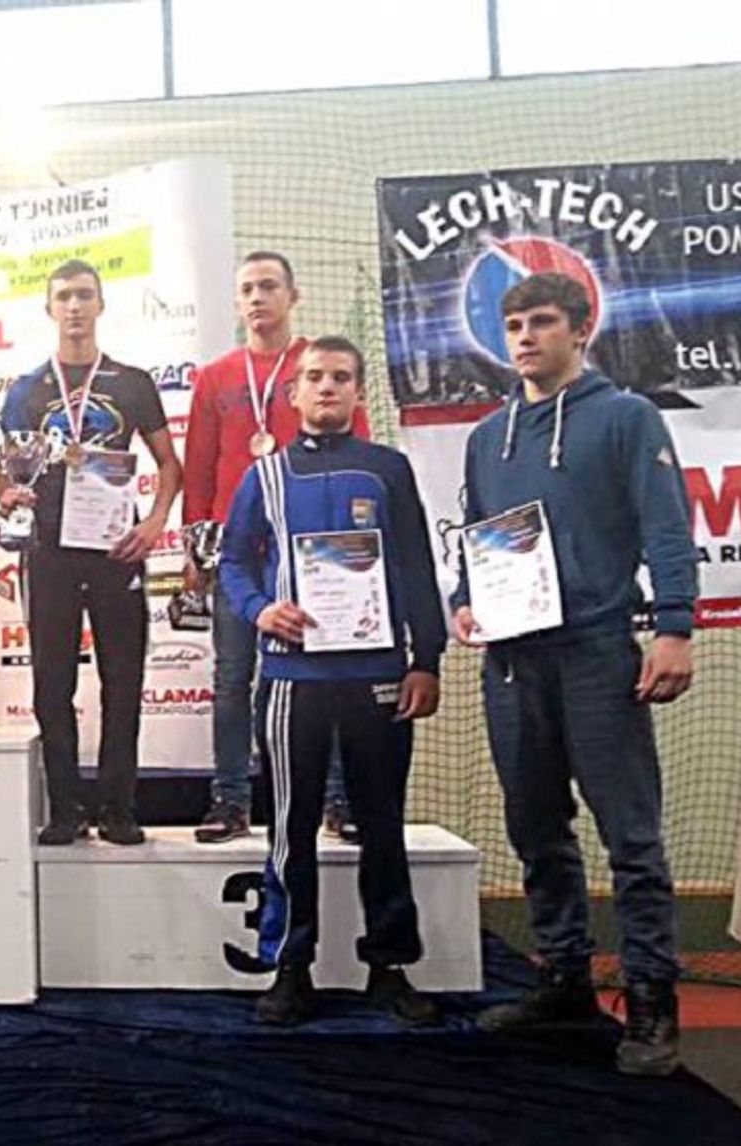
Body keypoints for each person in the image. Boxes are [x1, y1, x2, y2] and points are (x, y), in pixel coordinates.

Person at [455, 273, 696, 1077]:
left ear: (580, 328)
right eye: (513, 325)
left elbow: (666, 528)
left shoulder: (626, 418)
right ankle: (563, 978)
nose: (525, 337)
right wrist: (463, 601)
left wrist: (674, 628)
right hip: (512, 660)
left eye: (541, 321)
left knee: (631, 836)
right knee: (535, 828)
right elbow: (480, 536)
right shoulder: (488, 436)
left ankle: (653, 1001)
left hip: (597, 650)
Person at [218, 337, 445, 1026]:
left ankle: (389, 965)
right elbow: (233, 561)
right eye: (314, 377)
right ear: (293, 394)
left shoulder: (387, 470)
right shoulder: (266, 475)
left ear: (358, 392)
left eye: (341, 377)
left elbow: (416, 564)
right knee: (291, 827)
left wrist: (427, 659)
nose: (326, 388)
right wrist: (261, 610)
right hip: (293, 679)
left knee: (381, 824)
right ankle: (291, 966)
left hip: (378, 675)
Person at [183, 251, 370, 844]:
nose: (258, 298)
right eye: (247, 289)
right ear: (237, 302)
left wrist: (349, 543)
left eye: (269, 286)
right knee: (232, 677)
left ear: (293, 296)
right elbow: (199, 467)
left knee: (329, 673)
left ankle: (338, 801)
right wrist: (194, 546)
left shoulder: (319, 366)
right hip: (237, 553)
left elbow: (356, 451)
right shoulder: (215, 377)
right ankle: (230, 799)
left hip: (312, 552)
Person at [0, 259, 182, 846]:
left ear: (100, 305)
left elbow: (169, 464)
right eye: (64, 298)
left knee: (122, 679)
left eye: (83, 296)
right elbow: (3, 473)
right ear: (49, 309)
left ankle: (119, 807)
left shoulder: (132, 383)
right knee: (52, 683)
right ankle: (65, 810)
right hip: (49, 549)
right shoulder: (27, 388)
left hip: (115, 548)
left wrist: (154, 522)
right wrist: (8, 494)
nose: (74, 307)